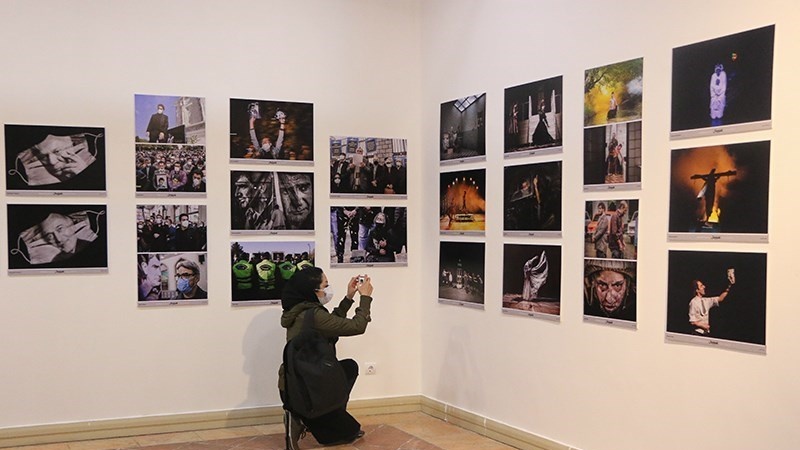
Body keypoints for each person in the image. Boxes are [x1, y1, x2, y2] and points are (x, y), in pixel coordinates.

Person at [279, 268, 373, 448]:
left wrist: (349, 297)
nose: (328, 289)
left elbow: (330, 323)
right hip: (308, 388)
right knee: (348, 370)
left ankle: (313, 416)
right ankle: (299, 417)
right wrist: (365, 297)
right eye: (325, 285)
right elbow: (357, 326)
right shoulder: (313, 314)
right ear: (312, 290)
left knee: (348, 369)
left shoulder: (300, 310)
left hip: (295, 384)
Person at [689, 269, 735, 336]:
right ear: (697, 290)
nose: (704, 287)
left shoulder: (706, 301)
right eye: (701, 286)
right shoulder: (693, 302)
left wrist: (729, 286)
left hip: (706, 334)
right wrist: (703, 326)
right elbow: (692, 321)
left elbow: (720, 298)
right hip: (697, 333)